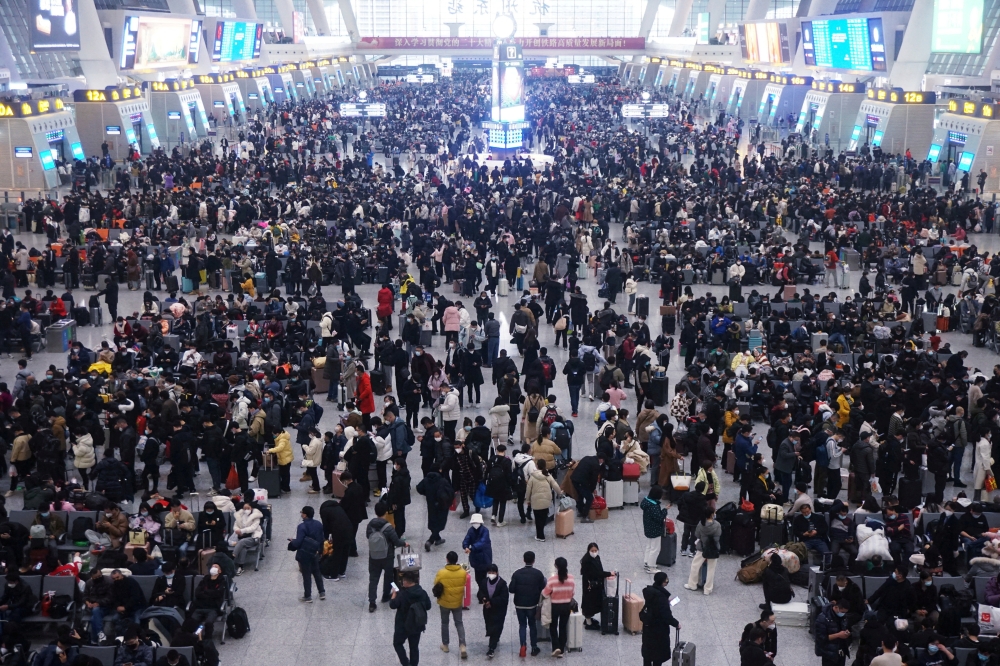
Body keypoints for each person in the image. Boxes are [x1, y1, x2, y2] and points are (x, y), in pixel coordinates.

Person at [367, 500, 408, 612]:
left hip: (374, 556)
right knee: (388, 576)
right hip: (388, 556)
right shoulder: (388, 527)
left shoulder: (370, 525)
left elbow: (368, 537)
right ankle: (386, 595)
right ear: (385, 512)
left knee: (373, 579)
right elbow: (396, 541)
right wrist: (404, 543)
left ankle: (372, 602)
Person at [508, 550, 547, 658]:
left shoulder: (517, 573)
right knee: (532, 625)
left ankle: (523, 645)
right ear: (534, 561)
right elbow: (543, 588)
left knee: (522, 625)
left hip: (519, 604)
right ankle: (534, 647)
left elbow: (511, 589)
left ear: (523, 560)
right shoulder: (538, 574)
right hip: (532, 604)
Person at [390, 571, 431, 666]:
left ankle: (405, 663)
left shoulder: (402, 594)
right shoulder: (422, 592)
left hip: (403, 624)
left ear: (405, 582)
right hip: (417, 624)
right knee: (414, 647)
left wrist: (394, 594)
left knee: (397, 643)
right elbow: (428, 606)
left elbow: (393, 605)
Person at [432, 551, 468, 659]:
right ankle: (462, 646)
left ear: (447, 559)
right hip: (457, 602)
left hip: (444, 602)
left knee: (445, 623)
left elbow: (435, 583)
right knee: (459, 623)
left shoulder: (441, 572)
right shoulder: (463, 572)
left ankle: (445, 645)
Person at [287, 505, 325, 603]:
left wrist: (292, 542)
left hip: (305, 553)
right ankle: (322, 592)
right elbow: (321, 539)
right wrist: (320, 551)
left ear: (305, 515)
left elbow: (299, 542)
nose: (301, 514)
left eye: (302, 512)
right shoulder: (318, 524)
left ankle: (308, 596)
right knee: (317, 572)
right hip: (315, 552)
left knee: (306, 574)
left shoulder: (302, 526)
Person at [642, 571, 680, 666]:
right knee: (657, 655)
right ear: (663, 582)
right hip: (658, 630)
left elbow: (654, 605)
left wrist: (665, 601)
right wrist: (676, 623)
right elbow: (666, 616)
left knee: (648, 653)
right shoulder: (661, 597)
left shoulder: (650, 591)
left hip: (648, 627)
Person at [541, 556, 576, 657]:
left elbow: (545, 593)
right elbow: (573, 593)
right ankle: (561, 649)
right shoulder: (571, 578)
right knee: (563, 627)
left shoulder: (552, 580)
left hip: (555, 606)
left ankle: (555, 647)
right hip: (566, 606)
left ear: (556, 566)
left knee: (553, 626)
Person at [683, 507, 722, 595]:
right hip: (713, 549)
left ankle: (692, 584)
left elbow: (697, 534)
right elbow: (718, 536)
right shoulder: (717, 525)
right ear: (712, 514)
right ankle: (707, 589)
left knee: (695, 566)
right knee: (711, 569)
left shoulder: (701, 524)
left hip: (702, 548)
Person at [416, 468, 453, 551]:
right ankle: (430, 541)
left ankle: (438, 539)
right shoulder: (443, 481)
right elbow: (450, 492)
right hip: (441, 505)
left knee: (433, 521)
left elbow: (419, 488)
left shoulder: (426, 480)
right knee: (440, 522)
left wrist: (427, 494)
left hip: (431, 504)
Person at [525, 459, 562, 542]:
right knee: (543, 517)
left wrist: (528, 500)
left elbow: (528, 490)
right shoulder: (548, 475)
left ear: (537, 466)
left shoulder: (533, 476)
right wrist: (560, 493)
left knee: (537, 519)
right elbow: (555, 485)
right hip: (546, 500)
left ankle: (540, 536)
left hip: (536, 501)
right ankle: (541, 533)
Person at [580, 542, 613, 631]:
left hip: (595, 585)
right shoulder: (587, 561)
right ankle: (588, 623)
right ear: (588, 551)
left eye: (595, 550)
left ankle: (589, 619)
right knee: (589, 603)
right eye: (592, 550)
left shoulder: (596, 558)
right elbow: (596, 573)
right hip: (590, 586)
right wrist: (609, 573)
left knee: (593, 602)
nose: (594, 552)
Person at [478, 563, 509, 659]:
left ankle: (491, 648)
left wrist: (491, 602)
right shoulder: (484, 582)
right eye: (490, 572)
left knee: (496, 627)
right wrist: (483, 599)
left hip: (499, 610)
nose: (491, 574)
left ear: (497, 572)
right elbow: (480, 592)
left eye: (493, 572)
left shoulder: (502, 584)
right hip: (487, 609)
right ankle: (494, 639)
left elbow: (504, 598)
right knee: (489, 624)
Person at [640, 486, 670, 573]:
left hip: (648, 528)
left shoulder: (646, 502)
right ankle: (651, 567)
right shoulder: (653, 506)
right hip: (655, 530)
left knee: (649, 546)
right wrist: (665, 510)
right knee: (655, 549)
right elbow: (659, 517)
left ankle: (647, 562)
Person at [462, 513, 492, 593]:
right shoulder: (471, 530)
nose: (475, 524)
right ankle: (482, 590)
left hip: (484, 557)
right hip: (475, 557)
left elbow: (482, 542)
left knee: (482, 576)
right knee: (478, 577)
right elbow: (467, 539)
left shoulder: (485, 531)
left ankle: (482, 593)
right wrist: (465, 546)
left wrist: (471, 548)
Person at [231, 501, 263, 576]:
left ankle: (233, 556)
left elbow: (253, 528)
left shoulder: (256, 517)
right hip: (242, 536)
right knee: (243, 547)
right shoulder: (240, 516)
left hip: (253, 537)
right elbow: (235, 525)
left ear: (251, 508)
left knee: (242, 542)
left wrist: (242, 530)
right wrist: (237, 531)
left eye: (248, 508)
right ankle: (240, 567)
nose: (246, 510)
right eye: (245, 508)